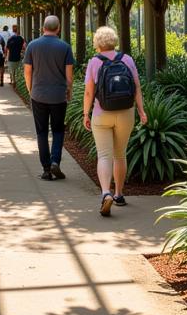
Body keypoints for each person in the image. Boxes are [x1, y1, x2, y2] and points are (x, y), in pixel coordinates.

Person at [82, 25, 147, 216]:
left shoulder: (94, 62)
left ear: (97, 43)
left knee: (104, 155)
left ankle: (105, 193)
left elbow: (88, 92)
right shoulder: (127, 59)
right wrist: (142, 112)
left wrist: (86, 113)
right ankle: (119, 194)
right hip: (126, 112)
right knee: (120, 154)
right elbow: (137, 88)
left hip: (102, 113)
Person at [22, 15, 75, 180]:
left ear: (43, 28)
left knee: (42, 132)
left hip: (38, 95)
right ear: (58, 28)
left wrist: (31, 89)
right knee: (58, 130)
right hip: (58, 96)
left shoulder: (33, 46)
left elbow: (27, 71)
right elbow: (69, 76)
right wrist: (69, 91)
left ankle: (46, 169)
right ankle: (55, 162)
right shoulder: (65, 47)